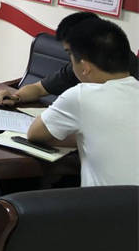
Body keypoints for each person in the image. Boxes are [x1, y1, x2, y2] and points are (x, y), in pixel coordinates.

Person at [27, 17, 138, 186]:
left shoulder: (81, 95)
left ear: (85, 67)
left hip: (104, 202)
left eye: (70, 56)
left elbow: (35, 134)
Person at [0, 11, 137, 107]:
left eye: (71, 51)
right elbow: (39, 88)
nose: (72, 57)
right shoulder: (80, 65)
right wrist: (15, 97)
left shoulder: (129, 74)